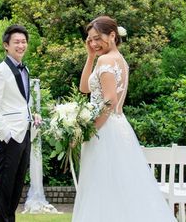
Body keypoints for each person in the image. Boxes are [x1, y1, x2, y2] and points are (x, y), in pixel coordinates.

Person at [72, 15, 176, 222]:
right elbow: (84, 88)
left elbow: (110, 101)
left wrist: (88, 132)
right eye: (90, 40)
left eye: (97, 38)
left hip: (104, 129)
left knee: (102, 186)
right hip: (118, 127)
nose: (93, 43)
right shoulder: (119, 60)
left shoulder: (106, 60)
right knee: (120, 187)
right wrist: (90, 57)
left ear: (112, 35)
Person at [0, 24, 34, 222]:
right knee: (4, 187)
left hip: (25, 134)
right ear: (6, 45)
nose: (21, 45)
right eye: (16, 42)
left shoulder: (25, 69)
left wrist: (33, 116)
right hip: (9, 137)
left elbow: (21, 102)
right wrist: (7, 135)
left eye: (24, 42)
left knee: (16, 187)